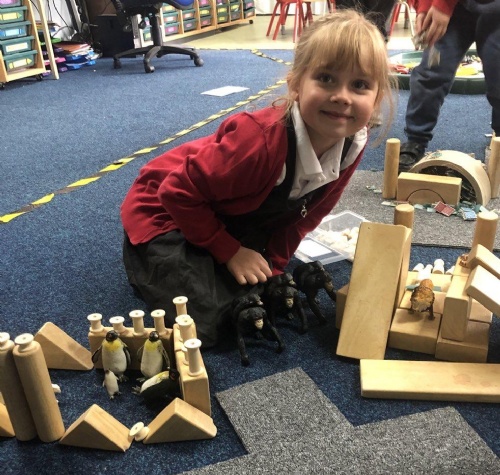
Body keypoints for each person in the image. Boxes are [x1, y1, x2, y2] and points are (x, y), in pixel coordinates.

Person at [120, 10, 395, 347]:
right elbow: (176, 192)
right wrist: (229, 251)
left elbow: (307, 217)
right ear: (296, 84)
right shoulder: (258, 142)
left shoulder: (352, 141)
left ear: (377, 97)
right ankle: (147, 257)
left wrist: (274, 267)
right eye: (326, 78)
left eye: (360, 85)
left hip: (234, 207)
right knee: (212, 321)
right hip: (165, 208)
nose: (342, 96)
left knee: (262, 294)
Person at [399, 0, 500, 170]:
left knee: (497, 74)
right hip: (455, 10)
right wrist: (424, 6)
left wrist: (443, 4)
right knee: (431, 72)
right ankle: (415, 140)